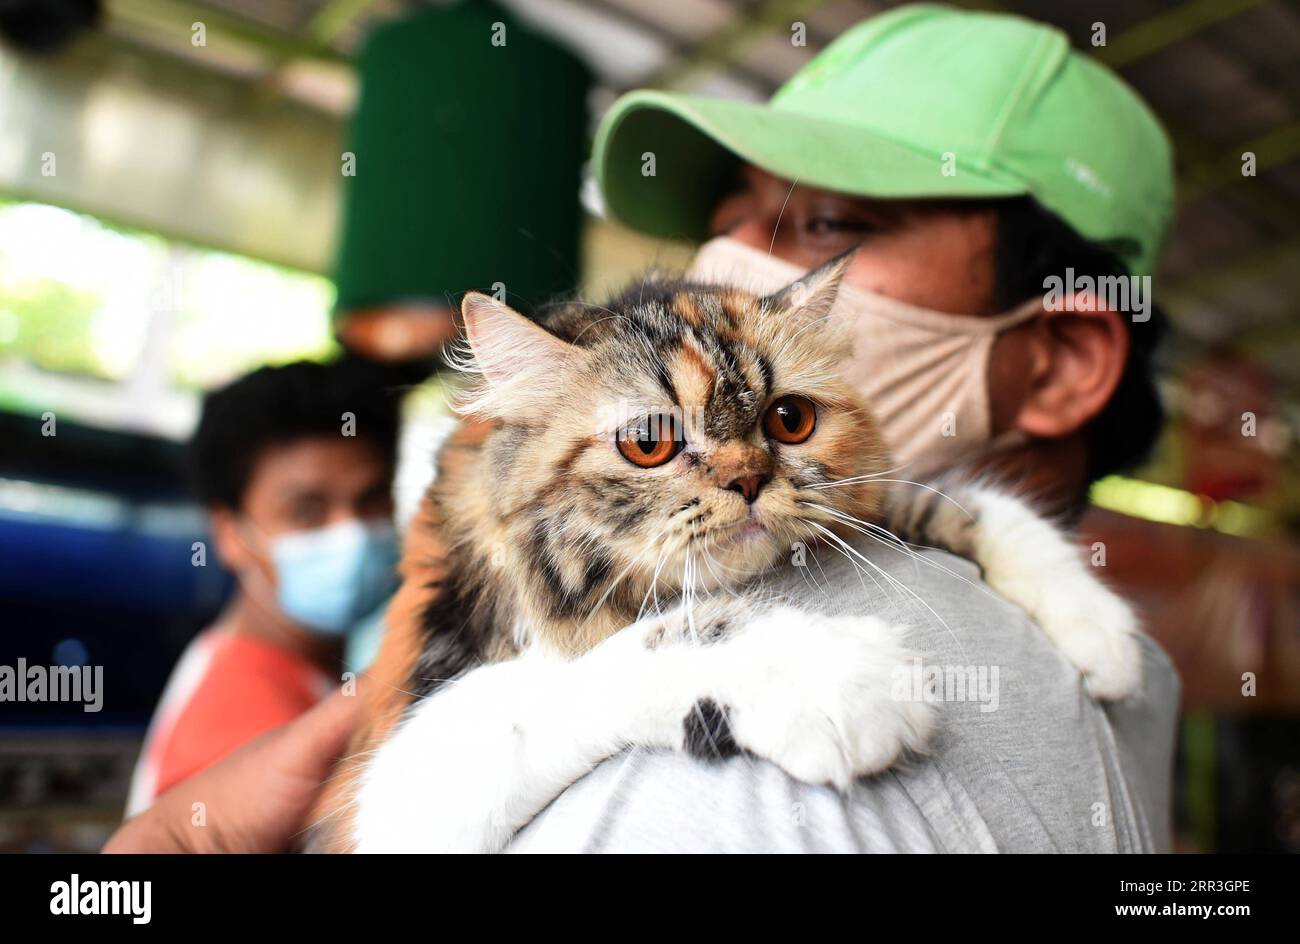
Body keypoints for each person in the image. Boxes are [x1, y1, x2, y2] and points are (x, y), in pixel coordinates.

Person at [112, 5, 1181, 853]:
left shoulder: (765, 730)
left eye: (825, 224)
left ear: (1067, 361)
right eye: (722, 221)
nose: (736, 274)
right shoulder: (1134, 677)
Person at [123, 359, 401, 816]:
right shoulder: (248, 728)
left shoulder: (296, 673)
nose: (351, 532)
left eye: (372, 499)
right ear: (231, 533)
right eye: (306, 510)